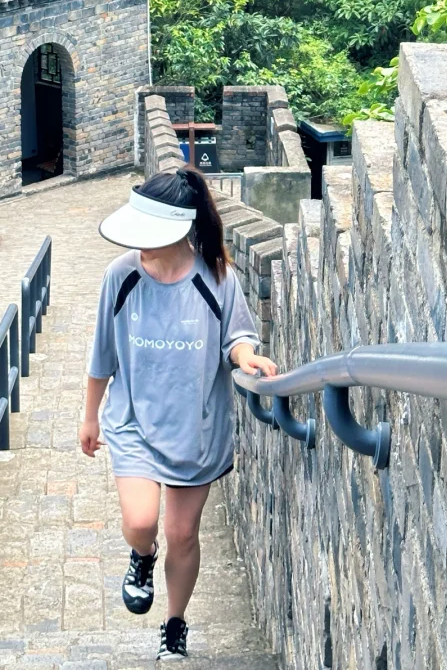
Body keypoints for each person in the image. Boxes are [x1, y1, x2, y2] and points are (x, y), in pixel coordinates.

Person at [80, 167, 277, 662]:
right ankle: (141, 557)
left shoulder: (216, 278)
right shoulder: (120, 277)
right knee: (143, 522)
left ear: (178, 229)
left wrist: (245, 356)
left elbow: (237, 337)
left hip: (196, 427)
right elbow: (102, 354)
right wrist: (90, 417)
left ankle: (174, 626)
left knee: (183, 533)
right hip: (132, 422)